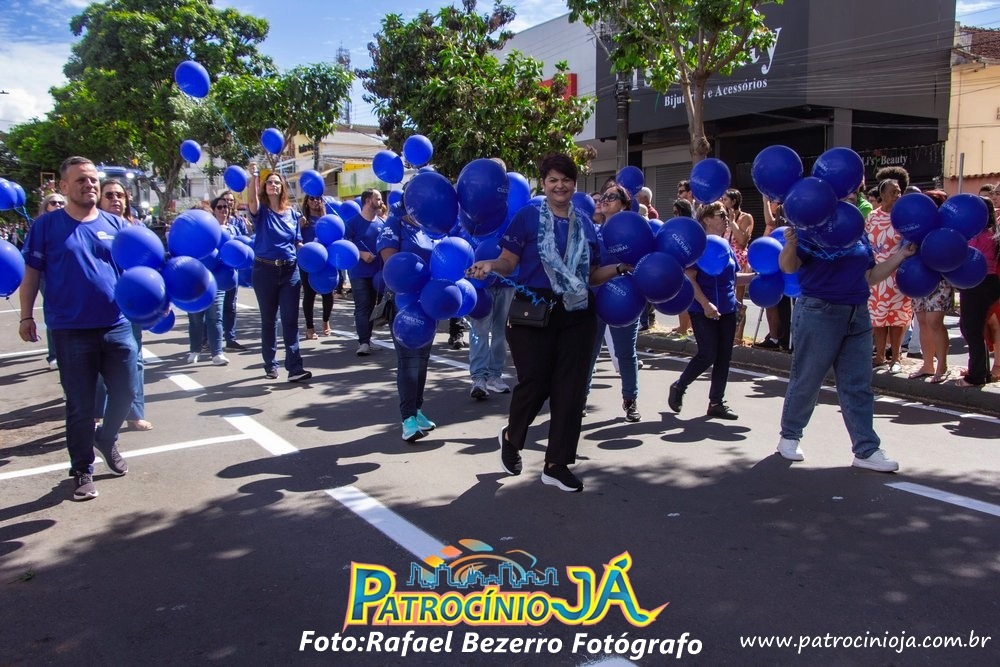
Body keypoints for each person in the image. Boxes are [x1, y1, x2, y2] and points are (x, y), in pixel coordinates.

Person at [467, 153, 622, 493]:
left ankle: (556, 464)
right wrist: (491, 265)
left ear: (575, 184)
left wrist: (622, 269)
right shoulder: (527, 217)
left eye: (565, 180)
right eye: (553, 180)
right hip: (534, 310)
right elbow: (509, 262)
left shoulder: (586, 224)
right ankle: (512, 436)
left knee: (571, 389)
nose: (559, 186)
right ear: (544, 183)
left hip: (578, 311)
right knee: (535, 383)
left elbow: (592, 275)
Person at [18, 156, 137, 500]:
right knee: (81, 406)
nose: (89, 185)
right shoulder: (45, 226)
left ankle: (107, 438)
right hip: (70, 329)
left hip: (116, 324)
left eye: (93, 179)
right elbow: (31, 274)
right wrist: (26, 316)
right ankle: (82, 469)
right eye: (81, 180)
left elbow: (134, 269)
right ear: (64, 186)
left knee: (127, 393)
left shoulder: (116, 224)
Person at [775, 223, 917, 473]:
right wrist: (792, 243)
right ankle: (789, 436)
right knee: (808, 377)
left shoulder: (857, 230)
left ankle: (866, 450)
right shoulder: (811, 227)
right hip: (819, 311)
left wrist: (901, 255)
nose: (852, 201)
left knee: (858, 385)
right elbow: (788, 267)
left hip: (858, 313)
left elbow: (870, 276)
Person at [667, 201, 754, 420]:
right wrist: (706, 304)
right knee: (707, 354)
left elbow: (733, 277)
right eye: (721, 215)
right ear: (706, 219)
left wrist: (755, 277)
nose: (726, 219)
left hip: (727, 308)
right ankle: (679, 386)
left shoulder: (725, 245)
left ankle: (716, 403)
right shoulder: (698, 247)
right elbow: (690, 278)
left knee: (724, 356)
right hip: (701, 309)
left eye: (727, 215)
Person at [377, 198, 439, 442]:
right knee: (408, 360)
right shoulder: (394, 223)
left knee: (422, 359)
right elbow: (391, 265)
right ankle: (407, 419)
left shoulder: (431, 227)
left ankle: (417, 410)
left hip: (429, 302)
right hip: (403, 302)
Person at [95, 179, 155, 430]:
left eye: (120, 195)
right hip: (101, 303)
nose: (115, 199)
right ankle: (97, 414)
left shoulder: (136, 228)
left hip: (132, 302)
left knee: (135, 359)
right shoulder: (91, 227)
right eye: (109, 195)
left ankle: (134, 414)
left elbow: (152, 264)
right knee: (99, 362)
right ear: (100, 199)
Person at [246, 165, 311, 382]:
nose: (273, 185)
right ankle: (271, 365)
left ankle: (295, 368)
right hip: (264, 270)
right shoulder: (261, 212)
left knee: (290, 320)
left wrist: (309, 252)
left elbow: (297, 242)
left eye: (277, 182)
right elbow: (252, 200)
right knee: (269, 320)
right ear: (264, 187)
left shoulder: (292, 213)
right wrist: (254, 176)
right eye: (270, 182)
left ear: (282, 187)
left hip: (290, 270)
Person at [586, 183, 643, 422]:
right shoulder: (593, 231)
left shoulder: (635, 230)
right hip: (595, 297)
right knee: (589, 351)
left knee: (625, 352)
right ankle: (580, 398)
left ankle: (630, 400)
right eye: (603, 196)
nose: (605, 199)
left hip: (625, 299)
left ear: (624, 204)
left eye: (612, 196)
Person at [865, 178, 911, 372]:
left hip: (898, 273)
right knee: (878, 317)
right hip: (877, 274)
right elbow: (866, 243)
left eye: (899, 191)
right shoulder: (872, 217)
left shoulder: (904, 217)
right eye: (893, 192)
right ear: (882, 195)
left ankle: (896, 357)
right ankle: (880, 355)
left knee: (897, 317)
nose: (897, 195)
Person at [955, 196, 1000, 387]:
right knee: (973, 328)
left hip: (978, 284)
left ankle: (977, 375)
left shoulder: (980, 236)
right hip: (988, 283)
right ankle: (980, 370)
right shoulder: (992, 233)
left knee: (972, 329)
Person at [344, 188, 385, 356]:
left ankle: (368, 339)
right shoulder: (352, 223)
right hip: (359, 272)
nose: (381, 202)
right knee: (362, 306)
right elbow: (345, 247)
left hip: (378, 274)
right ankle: (363, 343)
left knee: (373, 307)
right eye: (378, 198)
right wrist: (361, 254)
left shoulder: (382, 223)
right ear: (368, 201)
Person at [755, 197, 791, 350]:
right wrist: (764, 201)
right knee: (777, 303)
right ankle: (778, 338)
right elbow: (770, 222)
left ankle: (786, 340)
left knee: (787, 305)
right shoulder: (781, 212)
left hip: (790, 265)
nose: (771, 203)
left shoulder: (792, 209)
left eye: (772, 201)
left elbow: (770, 222)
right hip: (776, 264)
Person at [36, 193, 66, 371]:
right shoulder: (41, 226)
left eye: (61, 202)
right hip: (47, 275)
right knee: (53, 313)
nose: (58, 205)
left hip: (68, 275)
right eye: (53, 203)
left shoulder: (72, 223)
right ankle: (54, 355)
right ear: (46, 206)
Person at [298, 194, 334, 340]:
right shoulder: (302, 220)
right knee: (309, 294)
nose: (315, 201)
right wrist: (299, 227)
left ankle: (326, 321)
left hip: (326, 261)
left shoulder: (326, 219)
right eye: (312, 198)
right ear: (306, 201)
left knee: (328, 292)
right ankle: (310, 328)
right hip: (308, 261)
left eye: (318, 198)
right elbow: (294, 238)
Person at [218, 190, 248, 351]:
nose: (226, 206)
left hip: (231, 272)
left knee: (230, 306)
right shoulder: (210, 227)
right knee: (213, 307)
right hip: (214, 272)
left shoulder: (235, 226)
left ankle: (230, 338)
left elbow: (243, 244)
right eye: (221, 205)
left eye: (229, 203)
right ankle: (208, 339)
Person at [722, 188, 753, 344]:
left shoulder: (746, 217)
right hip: (725, 258)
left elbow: (742, 240)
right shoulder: (722, 216)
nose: (723, 202)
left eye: (725, 199)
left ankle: (738, 336)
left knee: (738, 299)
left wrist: (732, 221)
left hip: (739, 258)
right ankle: (725, 333)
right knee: (726, 296)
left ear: (733, 201)